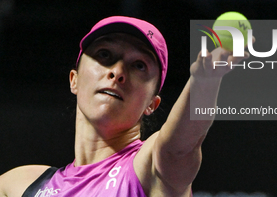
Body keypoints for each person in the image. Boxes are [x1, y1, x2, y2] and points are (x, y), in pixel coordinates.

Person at [0, 16, 250, 197]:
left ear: (152, 104)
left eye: (138, 65)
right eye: (104, 55)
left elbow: (179, 148)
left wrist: (204, 80)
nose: (118, 72)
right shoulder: (20, 185)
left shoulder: (149, 168)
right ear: (74, 80)